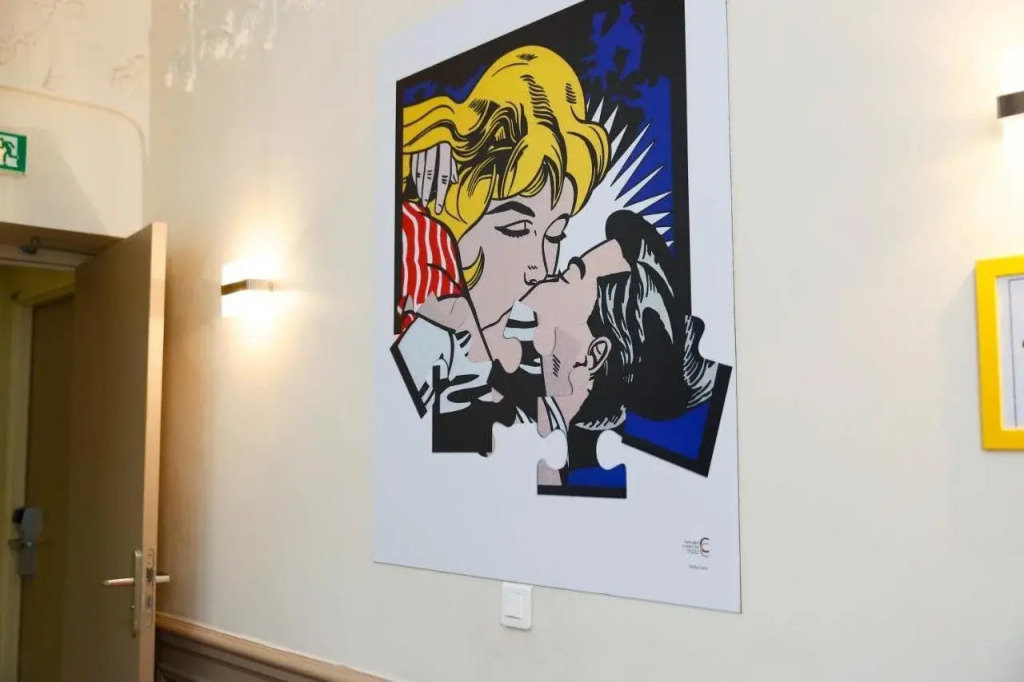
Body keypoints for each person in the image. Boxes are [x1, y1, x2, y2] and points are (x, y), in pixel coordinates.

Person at [395, 45, 610, 336]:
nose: (541, 270)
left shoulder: (528, 343)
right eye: (517, 229)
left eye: (555, 235)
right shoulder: (420, 251)